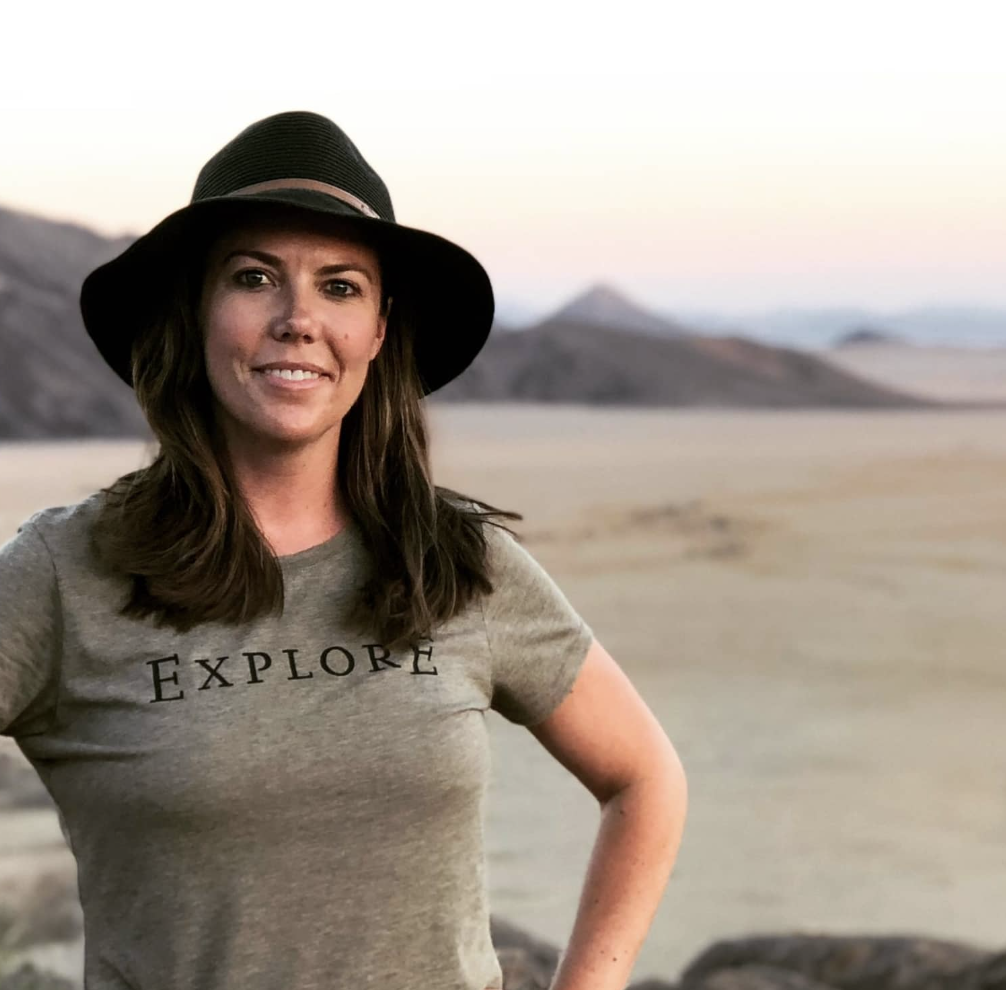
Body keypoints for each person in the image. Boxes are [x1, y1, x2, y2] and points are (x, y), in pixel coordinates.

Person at [0, 111, 687, 990]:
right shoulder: (66, 572)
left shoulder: (457, 562)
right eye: (254, 278)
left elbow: (643, 779)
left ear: (379, 329)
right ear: (196, 311)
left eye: (340, 286)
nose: (297, 320)